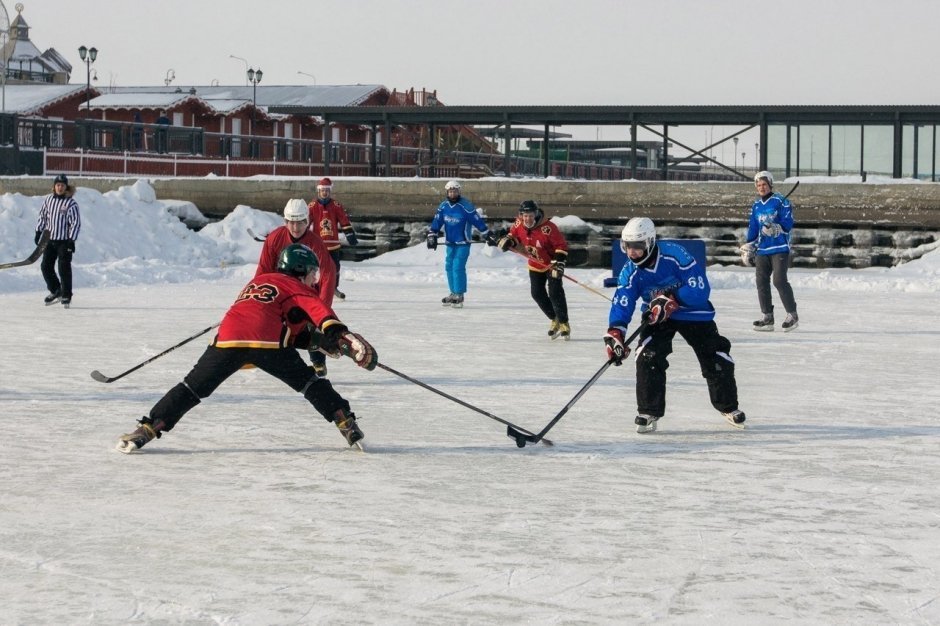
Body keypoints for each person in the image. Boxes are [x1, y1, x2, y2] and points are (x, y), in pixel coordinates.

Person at [116, 244, 378, 454]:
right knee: (309, 383)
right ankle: (344, 420)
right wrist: (338, 334)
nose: (314, 280)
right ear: (302, 270)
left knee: (191, 388)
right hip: (266, 343)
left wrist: (314, 340)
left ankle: (149, 428)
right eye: (313, 274)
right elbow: (319, 312)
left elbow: (283, 324)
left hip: (228, 338)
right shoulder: (295, 286)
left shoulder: (259, 282)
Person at [604, 217, 745, 433]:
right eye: (627, 246)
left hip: (693, 312)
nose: (632, 252)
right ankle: (649, 410)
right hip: (658, 316)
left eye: (638, 247)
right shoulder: (629, 271)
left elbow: (700, 288)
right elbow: (623, 301)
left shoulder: (675, 254)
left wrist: (674, 298)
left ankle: (728, 406)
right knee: (647, 354)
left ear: (650, 242)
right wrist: (617, 330)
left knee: (715, 354)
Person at [256, 199, 337, 377]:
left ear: (307, 222)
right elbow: (263, 270)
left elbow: (327, 276)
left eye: (300, 222)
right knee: (281, 329)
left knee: (312, 327)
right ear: (285, 222)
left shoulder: (316, 243)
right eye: (291, 221)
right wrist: (257, 299)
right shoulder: (274, 238)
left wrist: (322, 310)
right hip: (282, 293)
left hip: (308, 293)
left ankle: (318, 362)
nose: (295, 227)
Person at [496, 200, 570, 339]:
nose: (527, 218)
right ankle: (555, 319)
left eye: (530, 215)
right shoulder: (518, 223)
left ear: (536, 214)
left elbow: (561, 245)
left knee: (555, 292)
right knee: (537, 293)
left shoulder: (548, 228)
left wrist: (558, 262)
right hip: (535, 264)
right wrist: (507, 241)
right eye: (525, 215)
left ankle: (564, 322)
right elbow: (514, 236)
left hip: (551, 264)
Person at [741, 171, 799, 332]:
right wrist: (749, 245)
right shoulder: (756, 205)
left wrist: (776, 228)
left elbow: (788, 222)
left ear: (770, 184)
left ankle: (792, 315)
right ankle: (767, 316)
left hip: (779, 248)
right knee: (761, 282)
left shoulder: (781, 201)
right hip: (762, 249)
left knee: (779, 281)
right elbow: (753, 227)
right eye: (758, 185)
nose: (761, 187)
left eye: (764, 184)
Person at [426, 180, 492, 308]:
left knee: (458, 267)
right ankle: (453, 293)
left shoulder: (466, 206)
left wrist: (487, 233)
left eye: (455, 191)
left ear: (459, 191)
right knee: (449, 267)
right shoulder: (443, 206)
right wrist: (432, 235)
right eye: (450, 191)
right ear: (447, 192)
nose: (452, 194)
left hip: (463, 243)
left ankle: (459, 294)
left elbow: (477, 221)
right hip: (450, 243)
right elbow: (437, 222)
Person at [308, 177, 358, 300]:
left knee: (335, 267)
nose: (325, 193)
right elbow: (306, 223)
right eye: (323, 190)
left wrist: (350, 235)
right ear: (319, 191)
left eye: (327, 190)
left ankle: (333, 286)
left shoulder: (336, 205)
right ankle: (314, 286)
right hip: (318, 244)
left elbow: (344, 221)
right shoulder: (312, 206)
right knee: (316, 267)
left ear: (330, 191)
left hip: (333, 244)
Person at [36, 174, 81, 309]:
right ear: (54, 187)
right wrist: (38, 231)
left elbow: (75, 223)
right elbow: (42, 216)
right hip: (50, 240)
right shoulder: (49, 200)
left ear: (66, 187)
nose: (60, 187)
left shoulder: (71, 203)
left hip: (64, 241)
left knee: (63, 268)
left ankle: (66, 294)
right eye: (57, 185)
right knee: (45, 266)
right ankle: (56, 290)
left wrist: (71, 240)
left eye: (62, 185)